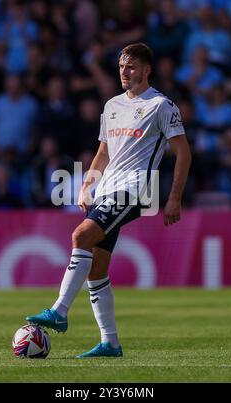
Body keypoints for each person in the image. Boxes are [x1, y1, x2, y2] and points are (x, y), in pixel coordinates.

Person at [26, 43, 191, 358]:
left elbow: (183, 152)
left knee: (80, 236)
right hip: (109, 188)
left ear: (146, 70)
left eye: (131, 66)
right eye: (121, 66)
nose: (124, 72)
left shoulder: (161, 105)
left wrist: (175, 198)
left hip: (137, 189)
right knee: (96, 268)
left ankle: (59, 311)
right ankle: (110, 343)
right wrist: (86, 185)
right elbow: (103, 152)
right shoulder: (112, 105)